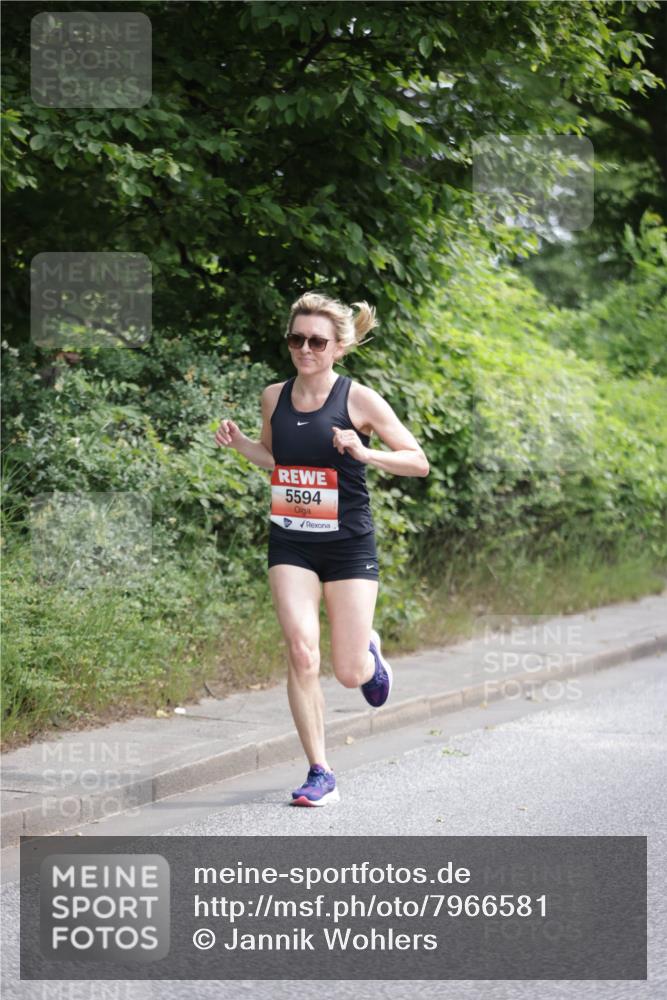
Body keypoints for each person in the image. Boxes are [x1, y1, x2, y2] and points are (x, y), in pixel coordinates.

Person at [214, 292, 429, 806]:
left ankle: (370, 659)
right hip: (292, 542)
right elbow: (276, 459)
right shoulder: (274, 396)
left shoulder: (359, 400)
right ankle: (320, 771)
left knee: (348, 672)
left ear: (338, 347)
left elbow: (417, 461)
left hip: (349, 546)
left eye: (316, 341)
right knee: (301, 651)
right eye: (297, 339)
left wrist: (364, 452)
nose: (305, 349)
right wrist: (242, 445)